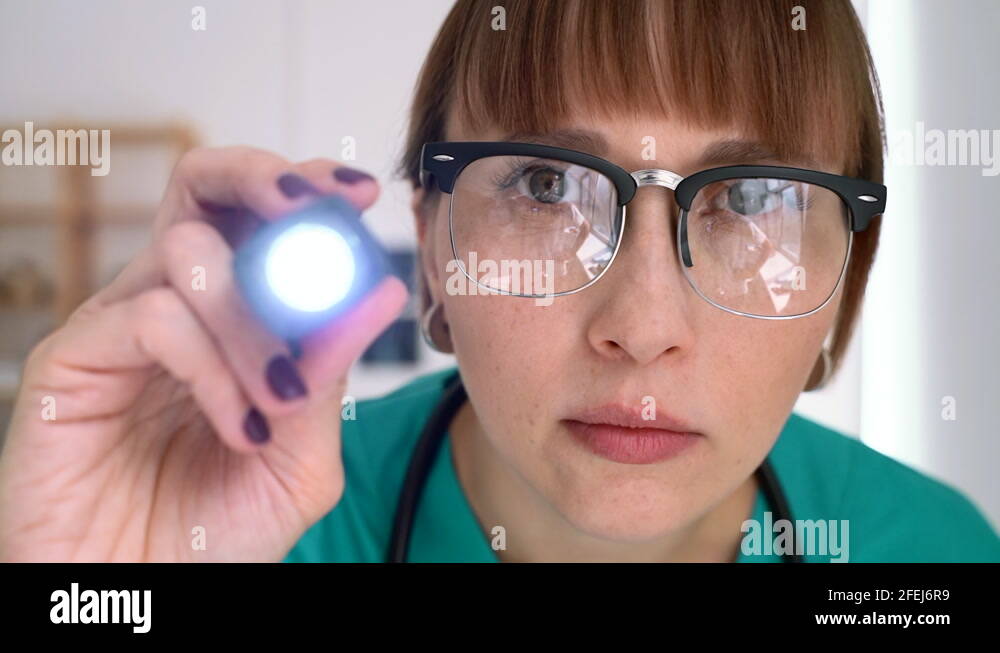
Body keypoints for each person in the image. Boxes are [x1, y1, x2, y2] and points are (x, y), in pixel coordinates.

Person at [1, 0, 997, 563]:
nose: (642, 326)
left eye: (750, 199)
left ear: (848, 273)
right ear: (433, 248)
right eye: (544, 183)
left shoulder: (924, 557)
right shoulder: (247, 532)